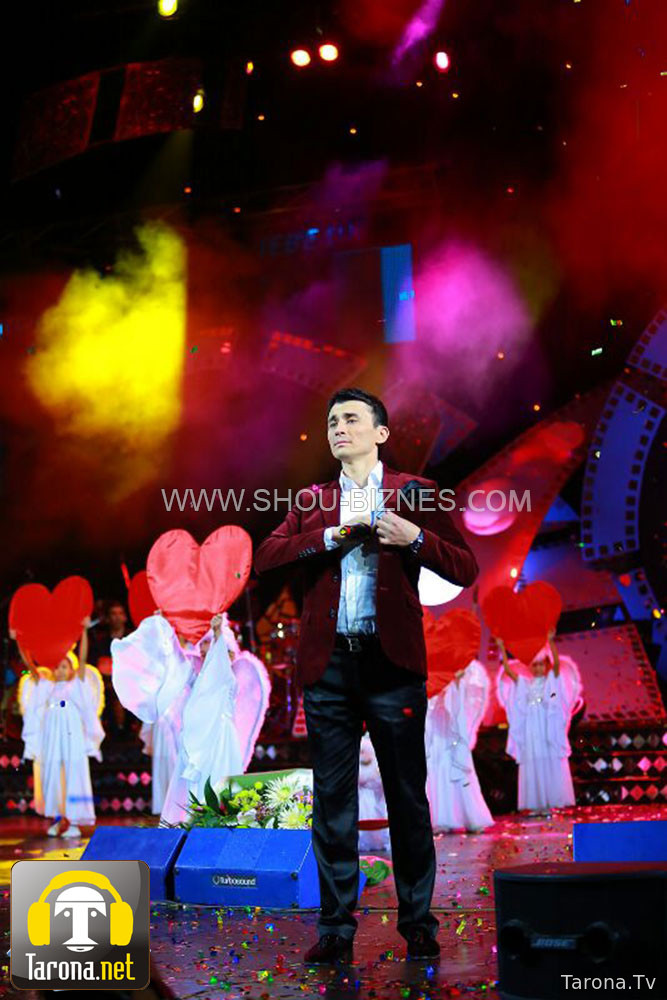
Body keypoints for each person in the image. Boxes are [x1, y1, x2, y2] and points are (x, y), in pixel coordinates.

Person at [254, 386, 478, 964]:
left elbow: (465, 565)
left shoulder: (415, 492)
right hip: (329, 667)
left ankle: (418, 922)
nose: (339, 428)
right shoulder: (313, 499)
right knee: (333, 803)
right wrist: (330, 536)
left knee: (407, 797)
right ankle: (335, 928)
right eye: (332, 421)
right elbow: (266, 556)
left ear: (380, 433)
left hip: (391, 665)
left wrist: (415, 538)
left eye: (351, 419)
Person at [17, 619, 104, 839]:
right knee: (54, 774)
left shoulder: (77, 685)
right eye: (57, 666)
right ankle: (59, 818)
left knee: (74, 772)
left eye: (64, 666)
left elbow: (83, 658)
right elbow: (29, 664)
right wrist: (19, 639)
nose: (60, 670)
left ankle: (73, 821)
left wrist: (84, 631)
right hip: (53, 736)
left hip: (72, 735)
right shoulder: (46, 686)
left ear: (71, 669)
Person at [496, 629, 582, 815]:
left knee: (547, 760)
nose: (537, 669)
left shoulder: (551, 682)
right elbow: (509, 671)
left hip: (546, 727)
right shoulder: (525, 684)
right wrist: (502, 648)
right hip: (532, 729)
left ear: (545, 665)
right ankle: (536, 804)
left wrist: (550, 642)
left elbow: (557, 665)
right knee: (533, 762)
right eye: (534, 665)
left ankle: (551, 802)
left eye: (541, 665)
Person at [425, 659, 494, 833]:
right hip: (434, 727)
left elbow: (459, 705)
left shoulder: (462, 670)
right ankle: (439, 819)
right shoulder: (429, 669)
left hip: (452, 729)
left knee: (457, 768)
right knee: (436, 767)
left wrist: (455, 682)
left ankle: (471, 818)